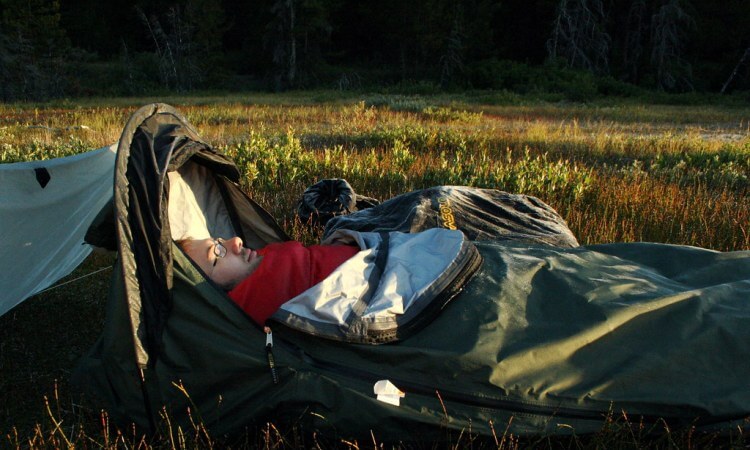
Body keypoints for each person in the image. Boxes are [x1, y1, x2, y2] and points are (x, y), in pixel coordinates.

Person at [178, 236, 359, 325]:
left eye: (219, 241)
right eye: (217, 252)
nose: (236, 241)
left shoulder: (256, 266)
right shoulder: (252, 310)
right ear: (209, 295)